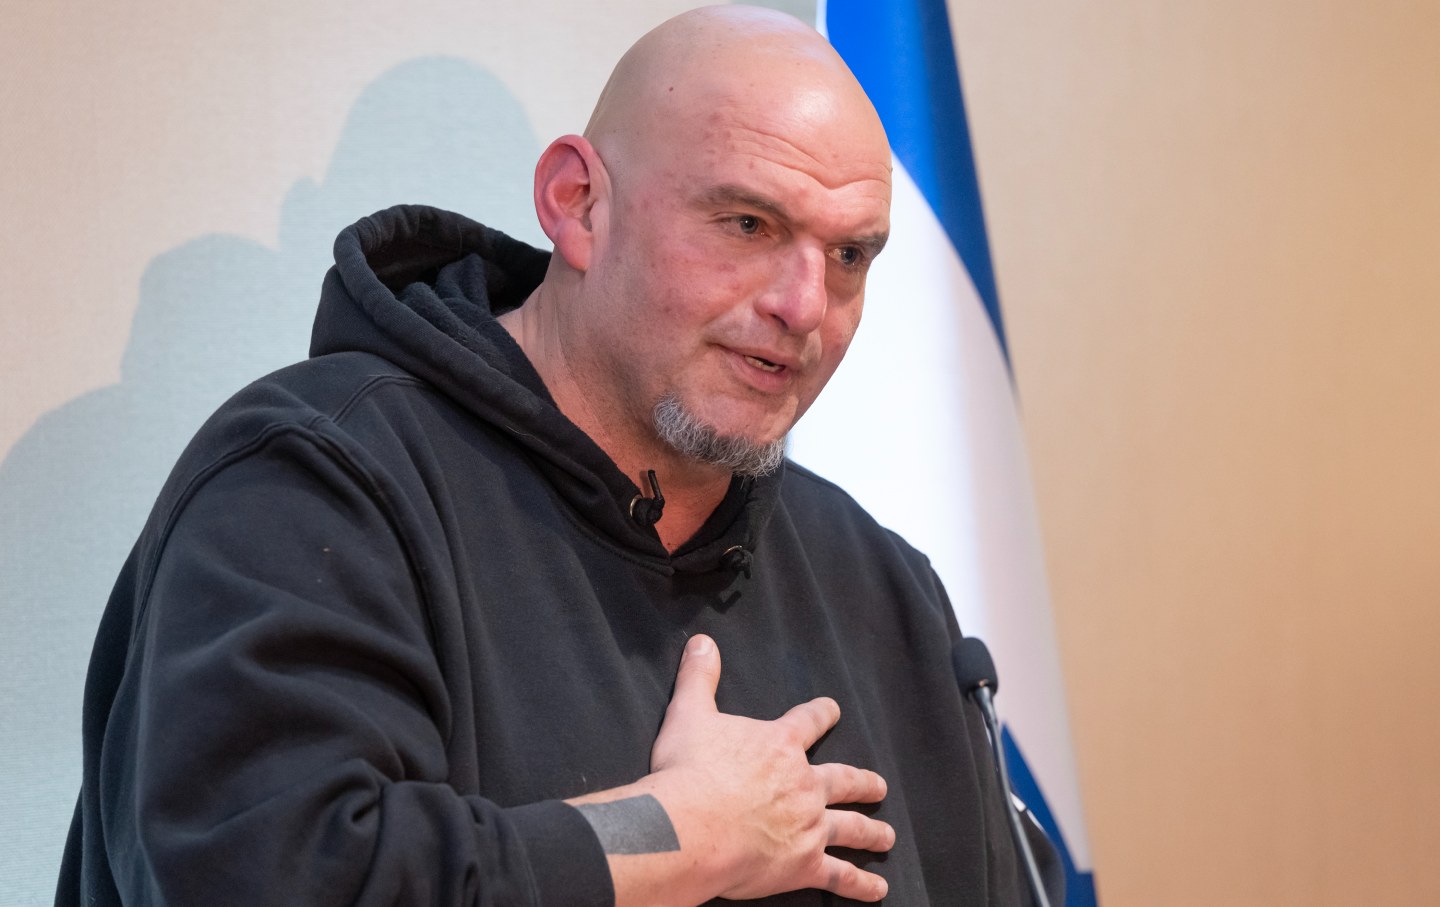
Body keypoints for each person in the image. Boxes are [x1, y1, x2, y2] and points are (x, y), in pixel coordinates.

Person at [57, 6, 1034, 905]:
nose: (804, 306)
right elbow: (273, 877)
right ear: (578, 203)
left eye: (850, 255)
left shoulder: (884, 584)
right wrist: (677, 834)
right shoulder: (310, 484)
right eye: (748, 224)